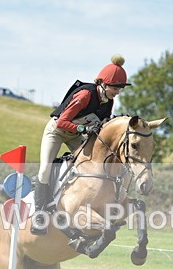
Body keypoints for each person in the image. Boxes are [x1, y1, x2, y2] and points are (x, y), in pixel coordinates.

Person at [32, 55, 131, 234]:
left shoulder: (108, 102)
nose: (117, 92)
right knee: (45, 168)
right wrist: (82, 129)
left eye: (119, 88)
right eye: (115, 88)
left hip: (75, 135)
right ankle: (39, 215)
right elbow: (62, 121)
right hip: (57, 132)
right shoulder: (85, 95)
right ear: (103, 84)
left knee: (91, 165)